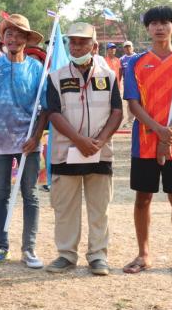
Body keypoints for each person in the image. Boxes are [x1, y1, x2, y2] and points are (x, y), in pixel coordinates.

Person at [122, 6, 172, 277]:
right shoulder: (135, 62)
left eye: (165, 23)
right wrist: (158, 130)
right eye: (153, 23)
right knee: (143, 198)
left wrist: (170, 134)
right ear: (147, 28)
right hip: (144, 140)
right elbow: (133, 103)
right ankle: (143, 254)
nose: (159, 28)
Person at [43, 23, 122, 276]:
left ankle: (98, 255)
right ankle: (66, 255)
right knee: (65, 208)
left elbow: (117, 112)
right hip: (66, 152)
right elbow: (53, 113)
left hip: (100, 152)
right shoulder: (56, 77)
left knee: (100, 209)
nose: (76, 47)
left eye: (82, 42)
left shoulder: (108, 76)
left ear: (94, 46)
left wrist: (100, 139)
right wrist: (78, 140)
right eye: (73, 42)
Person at [0, 14, 46, 268]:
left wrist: (36, 136)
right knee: (0, 194)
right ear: (3, 38)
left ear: (27, 39)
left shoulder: (36, 68)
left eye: (19, 35)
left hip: (28, 142)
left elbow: (45, 108)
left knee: (30, 194)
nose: (14, 39)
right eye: (10, 34)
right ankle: (0, 245)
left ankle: (29, 248)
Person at [119, 40, 136, 127]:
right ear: (124, 49)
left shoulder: (137, 57)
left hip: (138, 84)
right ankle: (130, 120)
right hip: (127, 84)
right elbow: (120, 72)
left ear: (132, 47)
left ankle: (141, 120)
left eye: (129, 46)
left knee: (140, 102)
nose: (128, 48)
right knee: (130, 102)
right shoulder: (121, 59)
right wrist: (118, 83)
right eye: (126, 47)